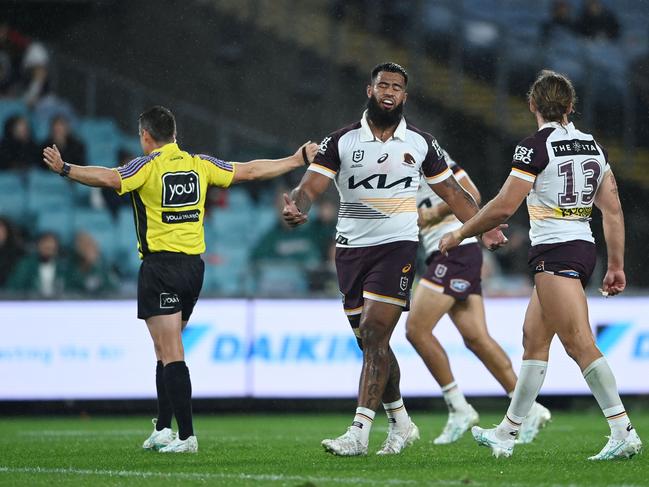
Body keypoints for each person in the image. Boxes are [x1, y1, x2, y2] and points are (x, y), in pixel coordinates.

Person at [42, 105, 318, 453]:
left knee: (171, 352)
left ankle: (186, 436)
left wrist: (67, 169)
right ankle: (162, 428)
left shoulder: (146, 165)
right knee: (163, 350)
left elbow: (110, 178)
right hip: (193, 270)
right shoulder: (199, 164)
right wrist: (294, 160)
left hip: (161, 268)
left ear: (145, 136)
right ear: (174, 134)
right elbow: (248, 171)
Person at [282, 62, 506, 456]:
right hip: (351, 250)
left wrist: (483, 225)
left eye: (397, 87)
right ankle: (401, 421)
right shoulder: (341, 141)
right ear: (370, 91)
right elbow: (310, 186)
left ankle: (358, 433)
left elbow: (454, 193)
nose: (389, 91)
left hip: (397, 248)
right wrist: (297, 206)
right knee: (373, 343)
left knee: (374, 333)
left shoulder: (421, 143)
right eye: (382, 85)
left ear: (405, 96)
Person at [439, 70, 643, 460]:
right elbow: (613, 209)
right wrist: (615, 265)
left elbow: (503, 205)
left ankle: (622, 429)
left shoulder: (534, 147)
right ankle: (508, 431)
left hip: (556, 251)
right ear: (570, 107)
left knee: (579, 342)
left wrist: (461, 232)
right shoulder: (592, 146)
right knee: (534, 339)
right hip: (581, 247)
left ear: (532, 105)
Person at [406, 149, 551, 445]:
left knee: (416, 330)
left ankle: (458, 407)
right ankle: (530, 409)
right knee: (476, 338)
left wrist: (432, 214)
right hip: (449, 253)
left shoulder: (427, 153)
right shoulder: (395, 164)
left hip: (455, 251)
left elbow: (471, 193)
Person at [5, 231, 66, 297]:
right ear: (38, 245)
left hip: (59, 304)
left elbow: (74, 288)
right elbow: (13, 287)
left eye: (51, 247)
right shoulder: (26, 265)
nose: (48, 248)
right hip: (30, 303)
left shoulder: (64, 267)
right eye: (45, 246)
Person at [64, 232, 118, 296]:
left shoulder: (103, 268)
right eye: (84, 245)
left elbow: (113, 289)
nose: (88, 250)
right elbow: (66, 289)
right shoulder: (68, 268)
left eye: (90, 246)